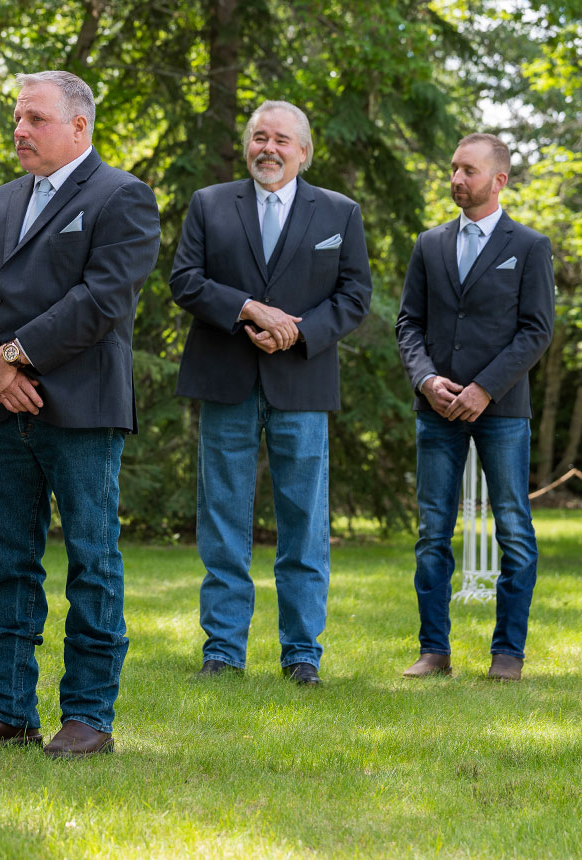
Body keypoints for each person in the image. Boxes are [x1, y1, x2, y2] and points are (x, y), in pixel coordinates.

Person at [0, 70, 160, 757]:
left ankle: (88, 715)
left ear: (79, 127)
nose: (20, 131)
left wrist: (15, 358)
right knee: (7, 561)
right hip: (4, 410)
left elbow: (103, 298)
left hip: (81, 412)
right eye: (16, 119)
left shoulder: (123, 197)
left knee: (92, 560)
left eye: (34, 119)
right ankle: (5, 708)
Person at [169, 100, 371, 685]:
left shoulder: (340, 212)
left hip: (302, 383)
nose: (269, 148)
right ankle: (224, 650)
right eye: (260, 137)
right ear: (248, 145)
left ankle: (302, 653)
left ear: (303, 153)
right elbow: (185, 280)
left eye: (282, 139)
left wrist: (297, 333)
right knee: (223, 519)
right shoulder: (210, 204)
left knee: (304, 522)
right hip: (225, 378)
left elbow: (355, 296)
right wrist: (249, 308)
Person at [395, 133, 554, 682]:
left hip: (503, 411)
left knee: (513, 527)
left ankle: (507, 654)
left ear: (499, 180)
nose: (457, 179)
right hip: (436, 409)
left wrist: (485, 388)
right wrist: (426, 379)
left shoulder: (530, 246)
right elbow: (408, 324)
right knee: (432, 531)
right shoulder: (429, 243)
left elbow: (537, 331)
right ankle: (433, 651)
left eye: (468, 171)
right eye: (454, 168)